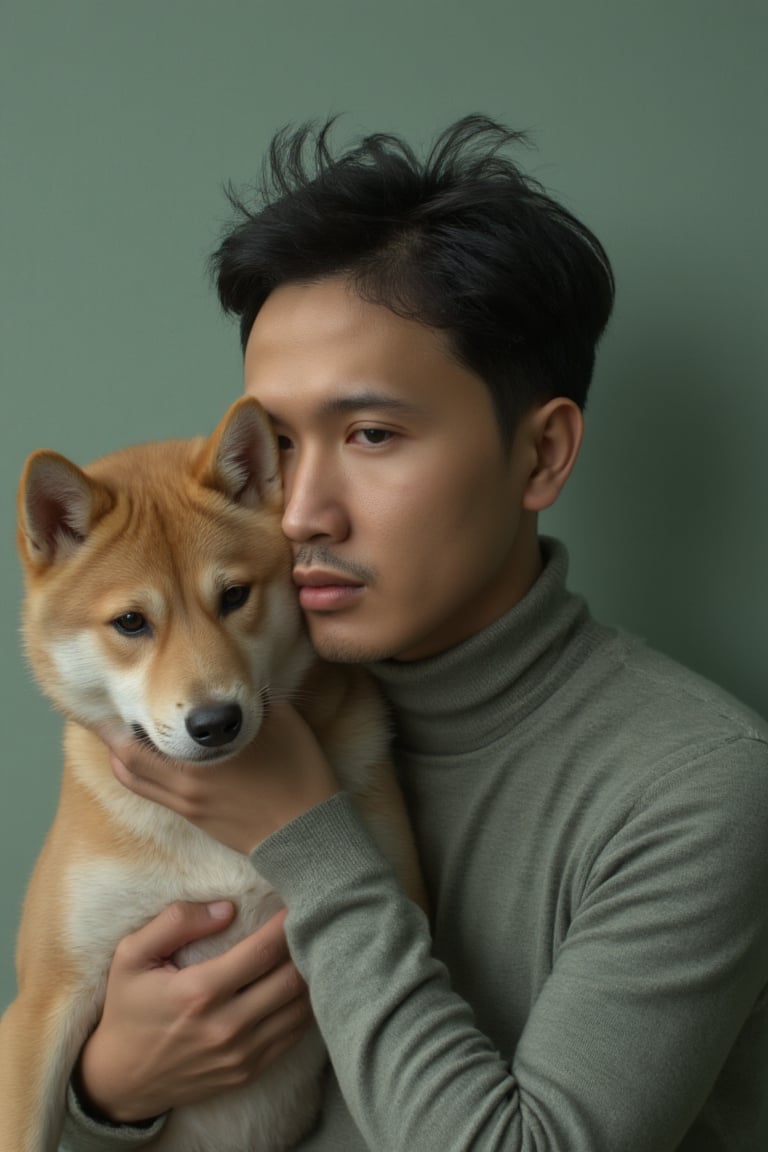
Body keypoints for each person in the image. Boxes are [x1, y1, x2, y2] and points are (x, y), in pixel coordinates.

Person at [60, 117, 768, 1151]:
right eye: (278, 446)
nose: (298, 511)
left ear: (542, 457)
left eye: (372, 435)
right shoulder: (218, 708)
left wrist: (308, 837)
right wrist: (110, 1091)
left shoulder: (695, 787)